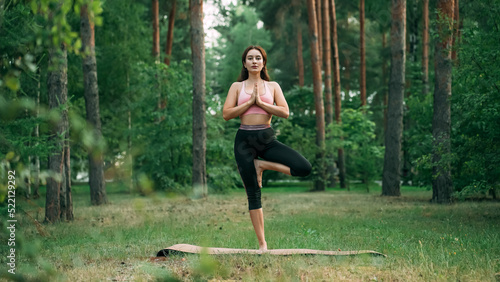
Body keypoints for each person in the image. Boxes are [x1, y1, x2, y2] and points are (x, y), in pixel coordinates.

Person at [222, 46, 312, 252]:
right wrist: (249, 103)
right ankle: (263, 244)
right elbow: (227, 114)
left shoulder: (273, 86)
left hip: (267, 139)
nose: (254, 61)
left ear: (264, 63)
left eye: (258, 58)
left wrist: (260, 102)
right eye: (250, 58)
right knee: (253, 193)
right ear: (244, 63)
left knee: (303, 167)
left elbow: (285, 112)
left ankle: (262, 165)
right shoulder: (237, 86)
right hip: (244, 141)